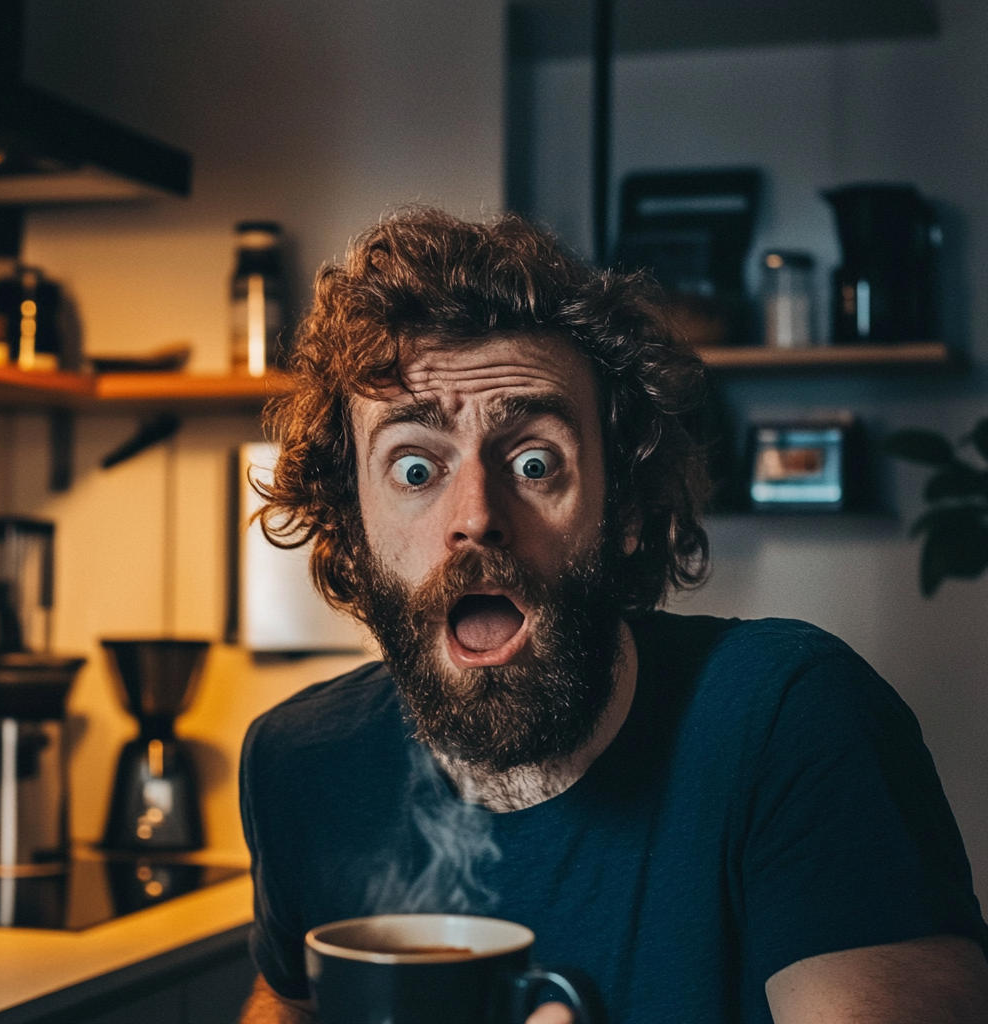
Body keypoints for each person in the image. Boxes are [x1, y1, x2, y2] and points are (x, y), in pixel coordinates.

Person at [238, 209, 988, 1024]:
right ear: (350, 530)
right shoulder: (301, 766)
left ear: (624, 505)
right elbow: (290, 1005)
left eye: (535, 461)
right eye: (415, 467)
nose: (477, 516)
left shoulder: (794, 720)